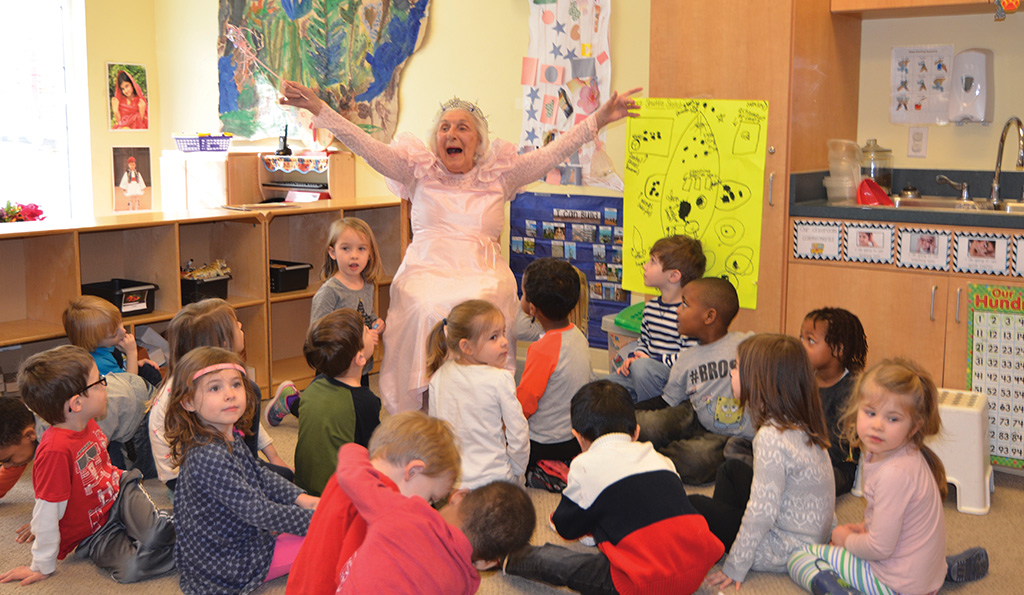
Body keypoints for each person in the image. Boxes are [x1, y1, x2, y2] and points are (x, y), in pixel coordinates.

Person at [280, 80, 641, 414]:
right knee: (424, 304)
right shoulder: (416, 170)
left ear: (478, 142)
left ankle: (482, 397)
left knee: (484, 298)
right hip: (426, 266)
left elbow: (553, 153)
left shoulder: (501, 174)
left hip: (481, 268)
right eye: (444, 128)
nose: (451, 134)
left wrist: (598, 118)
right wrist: (319, 109)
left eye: (462, 127)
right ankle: (425, 400)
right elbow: (365, 146)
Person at [787, 359, 989, 595]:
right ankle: (942, 569)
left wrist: (845, 540)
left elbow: (879, 548)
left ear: (914, 428)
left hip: (894, 583)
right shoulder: (900, 455)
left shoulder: (894, 473)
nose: (878, 425)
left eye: (892, 419)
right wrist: (865, 527)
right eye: (871, 413)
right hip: (919, 575)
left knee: (800, 556)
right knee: (857, 545)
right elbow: (896, 517)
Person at [504, 380, 724, 595]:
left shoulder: (584, 464)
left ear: (578, 437)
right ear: (636, 432)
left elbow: (566, 528)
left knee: (566, 564)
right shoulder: (660, 459)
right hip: (695, 573)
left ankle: (507, 558)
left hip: (643, 584)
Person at [0, 346, 174, 586]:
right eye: (100, 382)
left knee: (155, 533)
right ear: (76, 403)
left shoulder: (86, 421)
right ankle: (186, 549)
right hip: (95, 533)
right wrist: (41, 566)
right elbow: (47, 514)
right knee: (130, 570)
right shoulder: (54, 452)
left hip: (120, 493)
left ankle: (186, 520)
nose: (106, 386)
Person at [164, 347, 318, 594]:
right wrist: (318, 520)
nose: (230, 395)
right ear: (188, 401)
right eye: (215, 388)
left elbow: (258, 473)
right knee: (330, 536)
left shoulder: (223, 433)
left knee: (301, 517)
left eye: (236, 385)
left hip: (234, 541)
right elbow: (258, 512)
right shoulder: (209, 454)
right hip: (228, 564)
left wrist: (302, 498)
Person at [693, 334, 835, 591]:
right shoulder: (799, 422)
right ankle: (719, 542)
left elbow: (762, 512)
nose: (731, 373)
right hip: (807, 534)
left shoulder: (771, 436)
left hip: (781, 548)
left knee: (694, 502)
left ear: (758, 380)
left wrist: (736, 565)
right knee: (730, 470)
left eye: (736, 367)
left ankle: (724, 546)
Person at [286, 410, 461, 594]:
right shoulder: (373, 511)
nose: (427, 507)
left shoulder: (349, 475)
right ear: (413, 471)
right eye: (430, 498)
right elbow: (353, 579)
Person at [335, 439, 536, 594]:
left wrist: (357, 449)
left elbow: (350, 474)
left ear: (458, 496)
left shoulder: (406, 510)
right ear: (488, 563)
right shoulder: (466, 583)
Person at [148, 298, 291, 490]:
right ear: (223, 343)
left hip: (219, 456)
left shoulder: (216, 380)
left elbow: (239, 414)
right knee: (281, 483)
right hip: (188, 477)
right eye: (235, 324)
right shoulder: (193, 389)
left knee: (284, 476)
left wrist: (273, 455)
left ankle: (250, 462)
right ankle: (249, 465)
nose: (241, 325)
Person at [632, 277, 754, 484]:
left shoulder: (747, 344)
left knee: (695, 460)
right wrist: (628, 411)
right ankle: (646, 452)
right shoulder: (686, 358)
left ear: (709, 316)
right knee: (644, 424)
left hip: (731, 435)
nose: (678, 310)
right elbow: (667, 402)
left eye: (685, 304)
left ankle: (647, 459)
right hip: (696, 413)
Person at [0, 372, 157, 502]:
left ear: (29, 434)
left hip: (140, 408)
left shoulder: (58, 437)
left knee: (137, 478)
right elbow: (13, 467)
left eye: (7, 460)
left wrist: (46, 522)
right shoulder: (24, 426)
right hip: (117, 396)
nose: (6, 466)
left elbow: (80, 485)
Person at [426, 299, 530, 489]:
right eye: (494, 337)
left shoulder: (438, 377)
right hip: (494, 480)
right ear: (466, 347)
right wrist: (518, 471)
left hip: (454, 482)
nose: (505, 342)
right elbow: (519, 433)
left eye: (503, 333)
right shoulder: (500, 379)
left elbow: (436, 433)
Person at [516, 258, 593, 482]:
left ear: (532, 308)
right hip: (573, 439)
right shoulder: (578, 335)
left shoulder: (541, 349)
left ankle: (543, 470)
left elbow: (525, 404)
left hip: (545, 443)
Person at [290, 308, 381, 496]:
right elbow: (374, 453)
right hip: (337, 495)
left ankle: (288, 401)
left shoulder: (315, 385)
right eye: (365, 331)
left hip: (304, 485)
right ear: (360, 358)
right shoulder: (365, 402)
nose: (367, 327)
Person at [606, 234, 706, 403]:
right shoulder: (650, 307)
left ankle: (654, 412)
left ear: (673, 276)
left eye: (652, 261)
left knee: (642, 368)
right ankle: (640, 406)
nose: (645, 266)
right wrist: (634, 356)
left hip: (673, 381)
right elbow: (644, 342)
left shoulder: (688, 314)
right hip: (645, 373)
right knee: (602, 387)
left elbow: (688, 358)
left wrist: (649, 361)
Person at [800, 307, 868, 497]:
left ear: (838, 349)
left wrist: (804, 463)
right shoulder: (803, 378)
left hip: (837, 466)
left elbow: (841, 448)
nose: (802, 346)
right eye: (801, 339)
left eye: (810, 340)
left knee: (813, 483)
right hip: (802, 455)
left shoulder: (852, 389)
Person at [62, 295, 161, 387]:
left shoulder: (106, 346)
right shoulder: (99, 363)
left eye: (121, 323)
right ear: (93, 342)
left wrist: (135, 362)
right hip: (122, 392)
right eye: (114, 334)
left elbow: (121, 365)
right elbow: (130, 387)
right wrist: (132, 354)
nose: (123, 331)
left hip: (123, 379)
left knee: (148, 370)